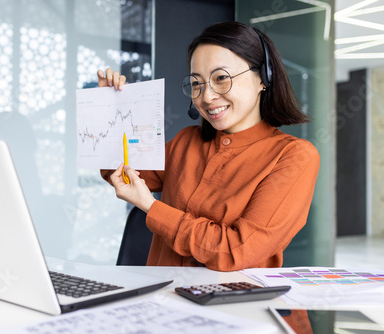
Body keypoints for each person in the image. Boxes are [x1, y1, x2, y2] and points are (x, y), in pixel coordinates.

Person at [98, 21, 320, 271]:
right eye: (196, 83)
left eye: (222, 78)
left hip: (234, 306)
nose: (206, 96)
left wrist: (151, 207)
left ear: (263, 78)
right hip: (163, 302)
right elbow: (119, 172)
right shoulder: (185, 142)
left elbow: (234, 251)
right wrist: (107, 106)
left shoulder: (293, 156)